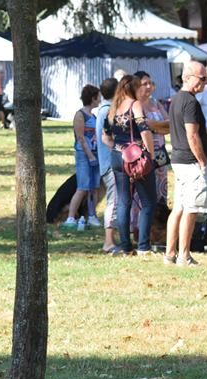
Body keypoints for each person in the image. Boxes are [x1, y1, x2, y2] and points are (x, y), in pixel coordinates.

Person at [102, 75, 156, 255]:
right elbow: (145, 131)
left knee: (123, 201)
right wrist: (150, 154)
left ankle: (125, 247)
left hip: (117, 157)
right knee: (148, 201)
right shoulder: (135, 105)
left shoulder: (113, 108)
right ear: (133, 88)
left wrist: (119, 148)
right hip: (136, 159)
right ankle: (143, 246)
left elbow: (105, 136)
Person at [166, 61, 207, 267]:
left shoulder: (176, 99)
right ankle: (184, 255)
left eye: (206, 79)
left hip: (177, 158)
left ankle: (170, 254)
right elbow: (192, 135)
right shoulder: (190, 102)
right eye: (202, 78)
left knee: (178, 208)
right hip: (190, 161)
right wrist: (202, 161)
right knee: (191, 209)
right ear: (187, 77)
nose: (204, 82)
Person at [62, 84, 102, 232]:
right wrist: (90, 155)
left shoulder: (94, 115)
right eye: (98, 97)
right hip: (84, 156)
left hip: (95, 154)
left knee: (94, 188)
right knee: (83, 187)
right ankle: (71, 217)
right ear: (93, 98)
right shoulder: (80, 115)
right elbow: (80, 137)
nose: (100, 100)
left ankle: (92, 215)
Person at [132, 71, 170, 220]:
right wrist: (158, 127)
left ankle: (159, 222)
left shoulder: (156, 103)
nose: (149, 87)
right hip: (144, 153)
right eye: (145, 84)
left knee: (161, 187)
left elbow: (169, 125)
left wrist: (154, 126)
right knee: (143, 191)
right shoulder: (135, 106)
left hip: (160, 152)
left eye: (150, 83)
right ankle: (139, 224)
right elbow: (144, 127)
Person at [94, 77, 121, 254]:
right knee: (114, 200)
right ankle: (108, 241)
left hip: (106, 162)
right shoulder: (108, 112)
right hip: (110, 162)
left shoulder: (102, 110)